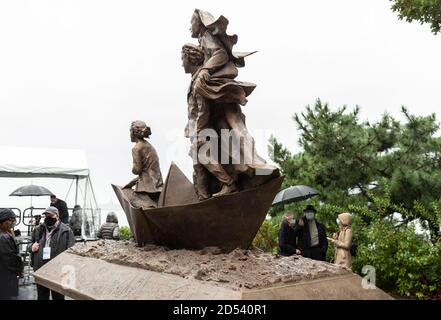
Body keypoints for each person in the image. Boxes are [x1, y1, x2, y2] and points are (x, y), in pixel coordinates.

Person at [29, 206, 75, 300]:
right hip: (41, 267)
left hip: (57, 269)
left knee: (58, 296)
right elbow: (30, 244)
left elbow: (72, 251)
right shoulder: (38, 229)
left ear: (57, 216)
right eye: (45, 216)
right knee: (42, 296)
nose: (47, 218)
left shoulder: (66, 231)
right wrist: (31, 247)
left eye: (50, 215)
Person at [123, 120, 164, 209]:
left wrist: (133, 168)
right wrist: (131, 183)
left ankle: (152, 208)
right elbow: (148, 170)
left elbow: (137, 170)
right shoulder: (149, 146)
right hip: (157, 184)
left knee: (133, 200)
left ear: (134, 132)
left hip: (147, 187)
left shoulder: (136, 148)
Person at [0, 209, 23, 300]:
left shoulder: (6, 233)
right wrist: (19, 270)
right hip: (5, 275)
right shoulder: (3, 237)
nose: (13, 223)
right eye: (11, 220)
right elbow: (10, 258)